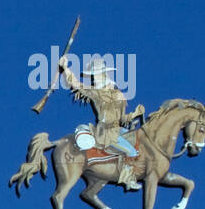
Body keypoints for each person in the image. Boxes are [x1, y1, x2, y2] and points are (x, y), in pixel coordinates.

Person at [57, 56, 145, 190]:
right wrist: (65, 68)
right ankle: (128, 180)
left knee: (140, 140)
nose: (94, 79)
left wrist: (135, 114)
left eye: (96, 75)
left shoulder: (118, 95)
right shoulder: (95, 92)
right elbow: (76, 84)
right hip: (105, 133)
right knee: (131, 152)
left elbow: (122, 119)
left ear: (104, 75)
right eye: (93, 76)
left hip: (117, 129)